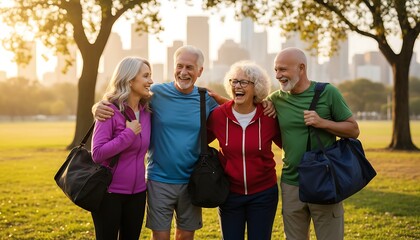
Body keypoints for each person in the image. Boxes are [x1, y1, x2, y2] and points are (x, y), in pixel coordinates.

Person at [93, 45, 276, 240]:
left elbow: (235, 108)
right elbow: (124, 100)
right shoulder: (154, 95)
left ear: (200, 71)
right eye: (179, 66)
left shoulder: (206, 99)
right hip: (158, 180)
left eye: (189, 67)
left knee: (186, 237)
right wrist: (97, 107)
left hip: (192, 181)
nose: (183, 72)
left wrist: (263, 103)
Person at [267, 47, 360, 240]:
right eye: (276, 70)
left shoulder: (328, 92)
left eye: (283, 69)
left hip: (324, 179)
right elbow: (243, 108)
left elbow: (353, 130)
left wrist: (322, 123)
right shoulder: (276, 99)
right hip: (291, 182)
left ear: (301, 68)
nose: (278, 75)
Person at [207, 60, 282, 240]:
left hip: (264, 194)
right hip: (230, 195)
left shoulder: (269, 116)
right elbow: (199, 142)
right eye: (234, 81)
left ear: (256, 87)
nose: (237, 86)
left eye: (244, 82)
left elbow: (288, 144)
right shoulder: (218, 116)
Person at [91, 56, 153, 240]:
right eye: (146, 76)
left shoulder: (147, 111)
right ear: (130, 79)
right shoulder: (109, 110)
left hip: (139, 193)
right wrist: (128, 134)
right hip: (110, 193)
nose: (151, 81)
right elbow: (97, 153)